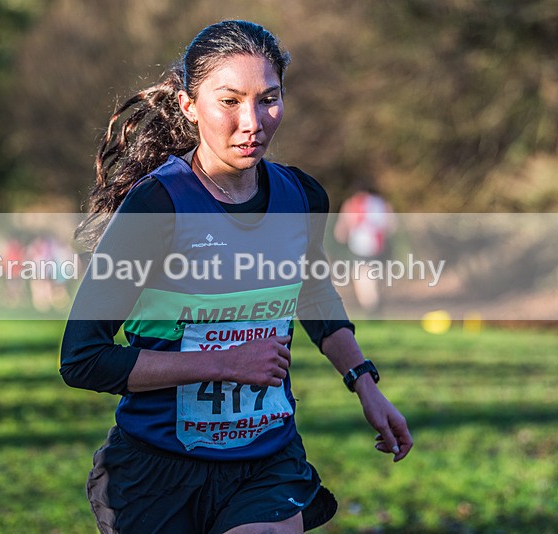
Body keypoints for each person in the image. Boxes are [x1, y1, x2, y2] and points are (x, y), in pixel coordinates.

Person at [60, 20, 412, 533]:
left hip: (266, 463)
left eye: (269, 98)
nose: (253, 121)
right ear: (188, 106)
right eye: (229, 101)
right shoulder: (157, 206)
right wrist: (224, 362)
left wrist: (363, 381)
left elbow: (311, 290)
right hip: (157, 473)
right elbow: (83, 358)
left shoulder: (301, 198)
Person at [333, 184, 396, 314]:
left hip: (360, 247)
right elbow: (392, 225)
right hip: (379, 247)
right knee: (375, 277)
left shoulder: (351, 203)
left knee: (363, 278)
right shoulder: (381, 203)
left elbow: (340, 231)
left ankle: (371, 307)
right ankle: (375, 303)